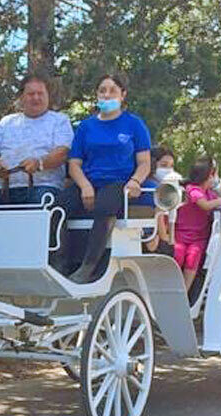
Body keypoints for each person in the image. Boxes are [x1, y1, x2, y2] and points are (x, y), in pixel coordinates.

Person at [57, 74, 152, 282]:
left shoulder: (134, 124)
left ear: (123, 95)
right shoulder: (86, 127)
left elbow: (145, 162)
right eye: (102, 90)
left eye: (112, 90)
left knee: (105, 205)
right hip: (89, 182)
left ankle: (88, 267)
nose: (106, 94)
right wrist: (84, 186)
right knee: (57, 207)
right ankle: (58, 263)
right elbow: (74, 164)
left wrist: (135, 181)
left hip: (120, 183)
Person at [0, 73, 74, 206]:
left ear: (48, 96)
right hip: (3, 190)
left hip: (44, 187)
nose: (36, 97)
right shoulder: (7, 122)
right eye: (31, 94)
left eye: (40, 93)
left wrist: (39, 164)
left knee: (42, 216)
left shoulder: (59, 120)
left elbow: (63, 152)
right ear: (22, 97)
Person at [176, 156, 221, 290]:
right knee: (178, 253)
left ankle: (184, 292)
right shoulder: (192, 190)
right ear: (209, 175)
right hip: (181, 235)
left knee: (193, 256)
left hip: (199, 238)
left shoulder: (210, 194)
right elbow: (205, 205)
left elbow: (213, 203)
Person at [142, 145, 180, 253]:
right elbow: (158, 214)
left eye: (171, 166)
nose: (168, 170)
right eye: (164, 165)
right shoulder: (153, 187)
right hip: (150, 237)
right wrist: (166, 238)